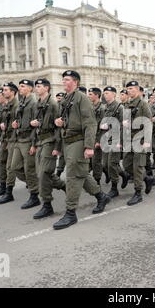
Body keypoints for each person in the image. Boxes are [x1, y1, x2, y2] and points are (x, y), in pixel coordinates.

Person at [53, 70, 109, 230]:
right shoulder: (66, 99)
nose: (64, 82)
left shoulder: (82, 98)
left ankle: (70, 213)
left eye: (67, 80)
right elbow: (69, 120)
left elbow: (90, 123)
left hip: (78, 141)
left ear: (75, 82)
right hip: (68, 141)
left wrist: (89, 146)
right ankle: (101, 196)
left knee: (72, 176)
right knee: (81, 173)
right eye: (63, 80)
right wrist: (60, 122)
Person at [30, 78, 66, 219]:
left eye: (39, 86)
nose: (36, 89)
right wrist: (33, 143)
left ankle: (47, 205)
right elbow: (37, 125)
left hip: (50, 141)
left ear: (46, 88)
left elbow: (59, 127)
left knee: (44, 173)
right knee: (43, 172)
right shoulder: (37, 104)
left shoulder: (53, 104)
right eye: (36, 86)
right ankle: (64, 186)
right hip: (40, 141)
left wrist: (57, 146)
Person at [10, 79, 41, 210]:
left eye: (22, 86)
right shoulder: (22, 102)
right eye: (20, 86)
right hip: (19, 138)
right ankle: (36, 184)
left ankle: (34, 196)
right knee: (15, 167)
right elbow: (20, 118)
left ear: (30, 88)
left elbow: (36, 124)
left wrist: (34, 144)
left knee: (30, 169)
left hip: (29, 139)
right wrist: (15, 123)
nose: (20, 89)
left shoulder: (33, 103)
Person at [122, 81, 154, 205]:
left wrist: (147, 141)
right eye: (127, 89)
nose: (128, 91)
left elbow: (148, 123)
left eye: (131, 88)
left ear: (137, 89)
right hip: (129, 138)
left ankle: (138, 193)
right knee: (127, 164)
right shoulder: (127, 104)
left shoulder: (143, 105)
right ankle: (146, 178)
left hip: (140, 138)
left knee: (138, 166)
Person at [100, 86, 128, 198]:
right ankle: (124, 174)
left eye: (107, 93)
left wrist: (120, 142)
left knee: (112, 164)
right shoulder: (104, 107)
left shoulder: (120, 108)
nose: (105, 95)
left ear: (114, 94)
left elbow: (124, 125)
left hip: (116, 139)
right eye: (104, 93)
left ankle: (114, 188)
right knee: (106, 164)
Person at [87, 87, 106, 185]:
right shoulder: (90, 107)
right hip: (90, 137)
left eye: (90, 94)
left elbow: (104, 127)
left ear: (97, 95)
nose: (88, 96)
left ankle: (97, 180)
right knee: (89, 160)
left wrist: (99, 141)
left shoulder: (102, 108)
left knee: (96, 161)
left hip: (97, 138)